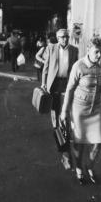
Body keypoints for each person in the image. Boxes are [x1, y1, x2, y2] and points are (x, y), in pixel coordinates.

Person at [60, 37, 101, 185]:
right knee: (79, 143)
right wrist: (64, 111)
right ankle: (79, 168)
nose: (99, 55)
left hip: (97, 108)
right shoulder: (79, 66)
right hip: (79, 110)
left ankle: (90, 166)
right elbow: (69, 89)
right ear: (88, 49)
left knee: (98, 143)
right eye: (96, 52)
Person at [41, 29, 79, 170]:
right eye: (62, 37)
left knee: (66, 117)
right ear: (57, 38)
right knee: (56, 117)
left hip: (67, 84)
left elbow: (76, 69)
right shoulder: (51, 48)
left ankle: (66, 150)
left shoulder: (74, 50)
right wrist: (44, 83)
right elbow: (45, 67)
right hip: (54, 84)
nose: (65, 39)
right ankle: (65, 153)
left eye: (67, 37)